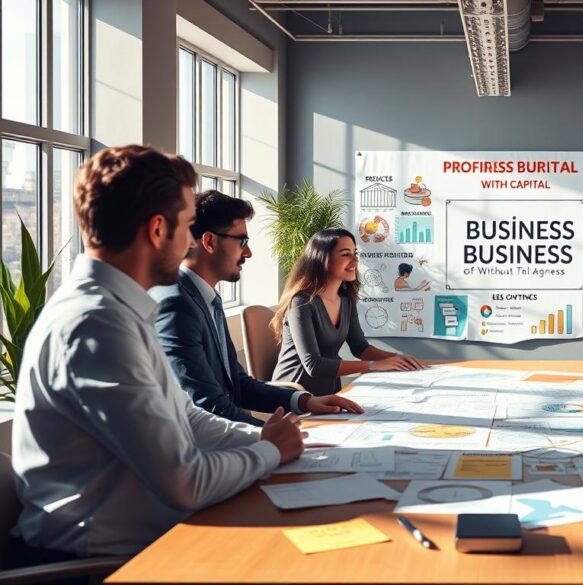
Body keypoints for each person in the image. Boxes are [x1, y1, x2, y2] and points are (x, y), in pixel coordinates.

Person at [10, 146, 304, 561]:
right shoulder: (95, 326)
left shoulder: (119, 309)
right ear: (157, 231)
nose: (189, 243)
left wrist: (262, 437)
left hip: (145, 540)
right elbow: (185, 481)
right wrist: (270, 451)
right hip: (99, 564)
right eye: (186, 227)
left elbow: (186, 415)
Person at [150, 191, 363, 425]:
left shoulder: (208, 299)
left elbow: (238, 384)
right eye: (242, 241)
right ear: (209, 242)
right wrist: (271, 435)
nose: (248, 253)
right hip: (205, 446)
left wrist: (305, 401)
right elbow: (206, 405)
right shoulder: (177, 303)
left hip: (230, 434)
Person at [272, 228, 426, 395]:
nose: (355, 260)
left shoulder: (346, 300)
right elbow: (313, 365)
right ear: (322, 259)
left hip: (329, 394)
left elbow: (360, 348)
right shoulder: (301, 303)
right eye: (346, 254)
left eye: (355, 253)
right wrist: (373, 366)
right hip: (294, 395)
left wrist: (395, 358)